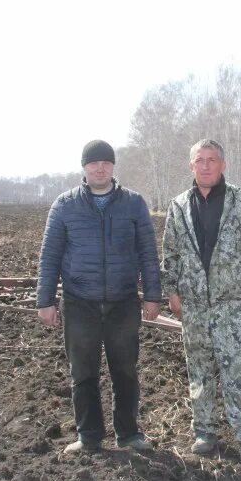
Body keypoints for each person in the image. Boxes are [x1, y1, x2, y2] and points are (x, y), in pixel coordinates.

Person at [36, 140, 161, 453]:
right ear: (84, 167)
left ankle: (129, 434)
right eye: (94, 163)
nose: (100, 168)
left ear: (113, 166)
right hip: (80, 302)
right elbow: (50, 255)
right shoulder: (65, 206)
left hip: (123, 301)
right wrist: (45, 300)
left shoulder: (133, 204)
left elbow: (147, 252)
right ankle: (89, 436)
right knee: (83, 372)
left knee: (125, 370)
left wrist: (152, 295)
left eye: (106, 162)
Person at [161, 139, 241, 466]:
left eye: (212, 160)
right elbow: (170, 255)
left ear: (222, 165)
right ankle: (205, 432)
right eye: (200, 160)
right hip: (195, 308)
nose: (206, 165)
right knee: (200, 372)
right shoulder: (178, 206)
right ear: (191, 166)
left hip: (231, 307)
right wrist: (173, 290)